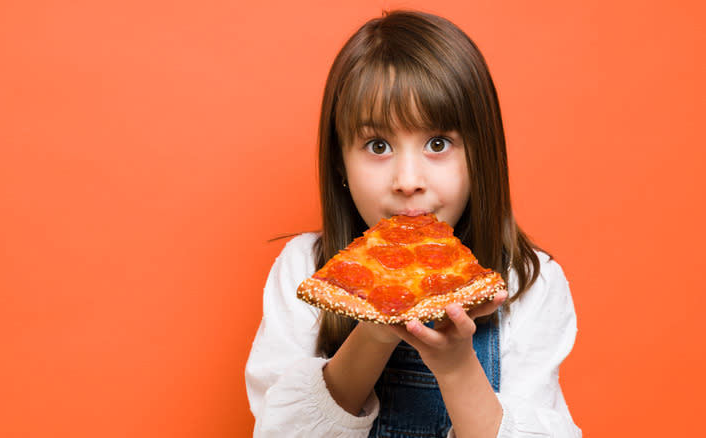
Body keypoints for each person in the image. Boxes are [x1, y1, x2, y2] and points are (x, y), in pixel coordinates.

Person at [245, 10, 580, 438]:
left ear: (481, 155)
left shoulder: (530, 283)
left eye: (437, 144)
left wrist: (457, 368)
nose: (407, 182)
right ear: (340, 162)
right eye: (378, 145)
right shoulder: (305, 270)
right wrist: (373, 333)